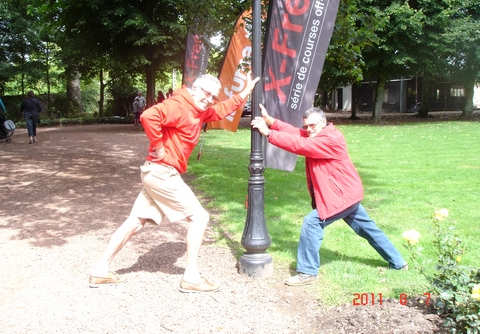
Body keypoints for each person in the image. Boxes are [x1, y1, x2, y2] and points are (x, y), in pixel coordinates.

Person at [90, 73, 259, 292]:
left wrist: (245, 92)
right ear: (195, 88)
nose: (209, 99)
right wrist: (159, 146)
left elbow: (220, 110)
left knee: (135, 222)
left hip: (155, 173)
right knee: (200, 217)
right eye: (206, 94)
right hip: (162, 173)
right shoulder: (180, 104)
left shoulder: (198, 110)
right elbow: (149, 116)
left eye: (212, 97)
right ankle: (191, 277)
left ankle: (100, 270)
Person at [251, 105, 407, 286]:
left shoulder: (331, 138)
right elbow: (297, 133)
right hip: (347, 195)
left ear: (323, 122)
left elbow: (301, 144)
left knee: (312, 223)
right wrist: (272, 122)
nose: (308, 130)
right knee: (369, 230)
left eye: (312, 125)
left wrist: (269, 133)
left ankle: (308, 272)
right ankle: (399, 263)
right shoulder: (317, 134)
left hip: (340, 198)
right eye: (306, 126)